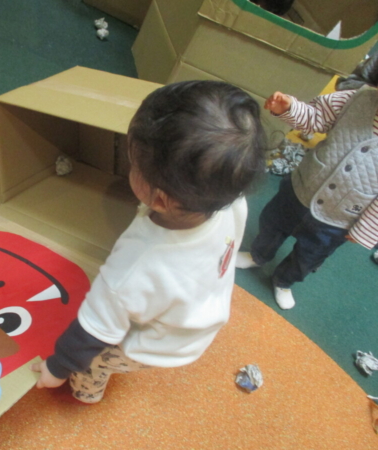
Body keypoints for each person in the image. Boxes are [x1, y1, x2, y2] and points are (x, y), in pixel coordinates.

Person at [31, 81, 267, 403]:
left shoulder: (136, 265)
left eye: (133, 165)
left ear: (159, 200)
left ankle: (86, 393)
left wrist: (57, 367)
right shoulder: (230, 200)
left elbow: (93, 329)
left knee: (95, 360)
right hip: (201, 316)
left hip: (156, 345)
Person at [236, 73, 378, 309]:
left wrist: (366, 229)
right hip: (302, 187)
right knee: (273, 224)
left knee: (310, 255)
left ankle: (284, 281)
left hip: (339, 217)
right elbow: (317, 117)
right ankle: (258, 255)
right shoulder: (358, 98)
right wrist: (290, 109)